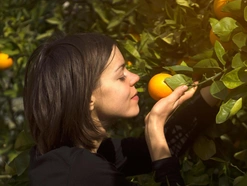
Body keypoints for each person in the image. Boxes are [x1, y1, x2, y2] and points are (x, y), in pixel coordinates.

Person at [23, 33, 219, 186]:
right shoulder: (81, 173)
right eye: (121, 76)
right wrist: (154, 126)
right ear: (87, 98)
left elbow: (149, 151)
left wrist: (221, 89)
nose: (134, 78)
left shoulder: (72, 156)